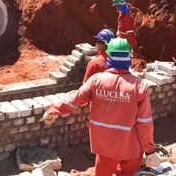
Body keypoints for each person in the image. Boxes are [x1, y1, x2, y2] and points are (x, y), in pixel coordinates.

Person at [43, 38, 161, 175]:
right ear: (129, 58)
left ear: (109, 57)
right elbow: (144, 123)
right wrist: (150, 151)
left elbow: (74, 100)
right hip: (131, 148)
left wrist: (54, 110)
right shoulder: (139, 86)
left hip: (106, 147)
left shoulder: (96, 81)